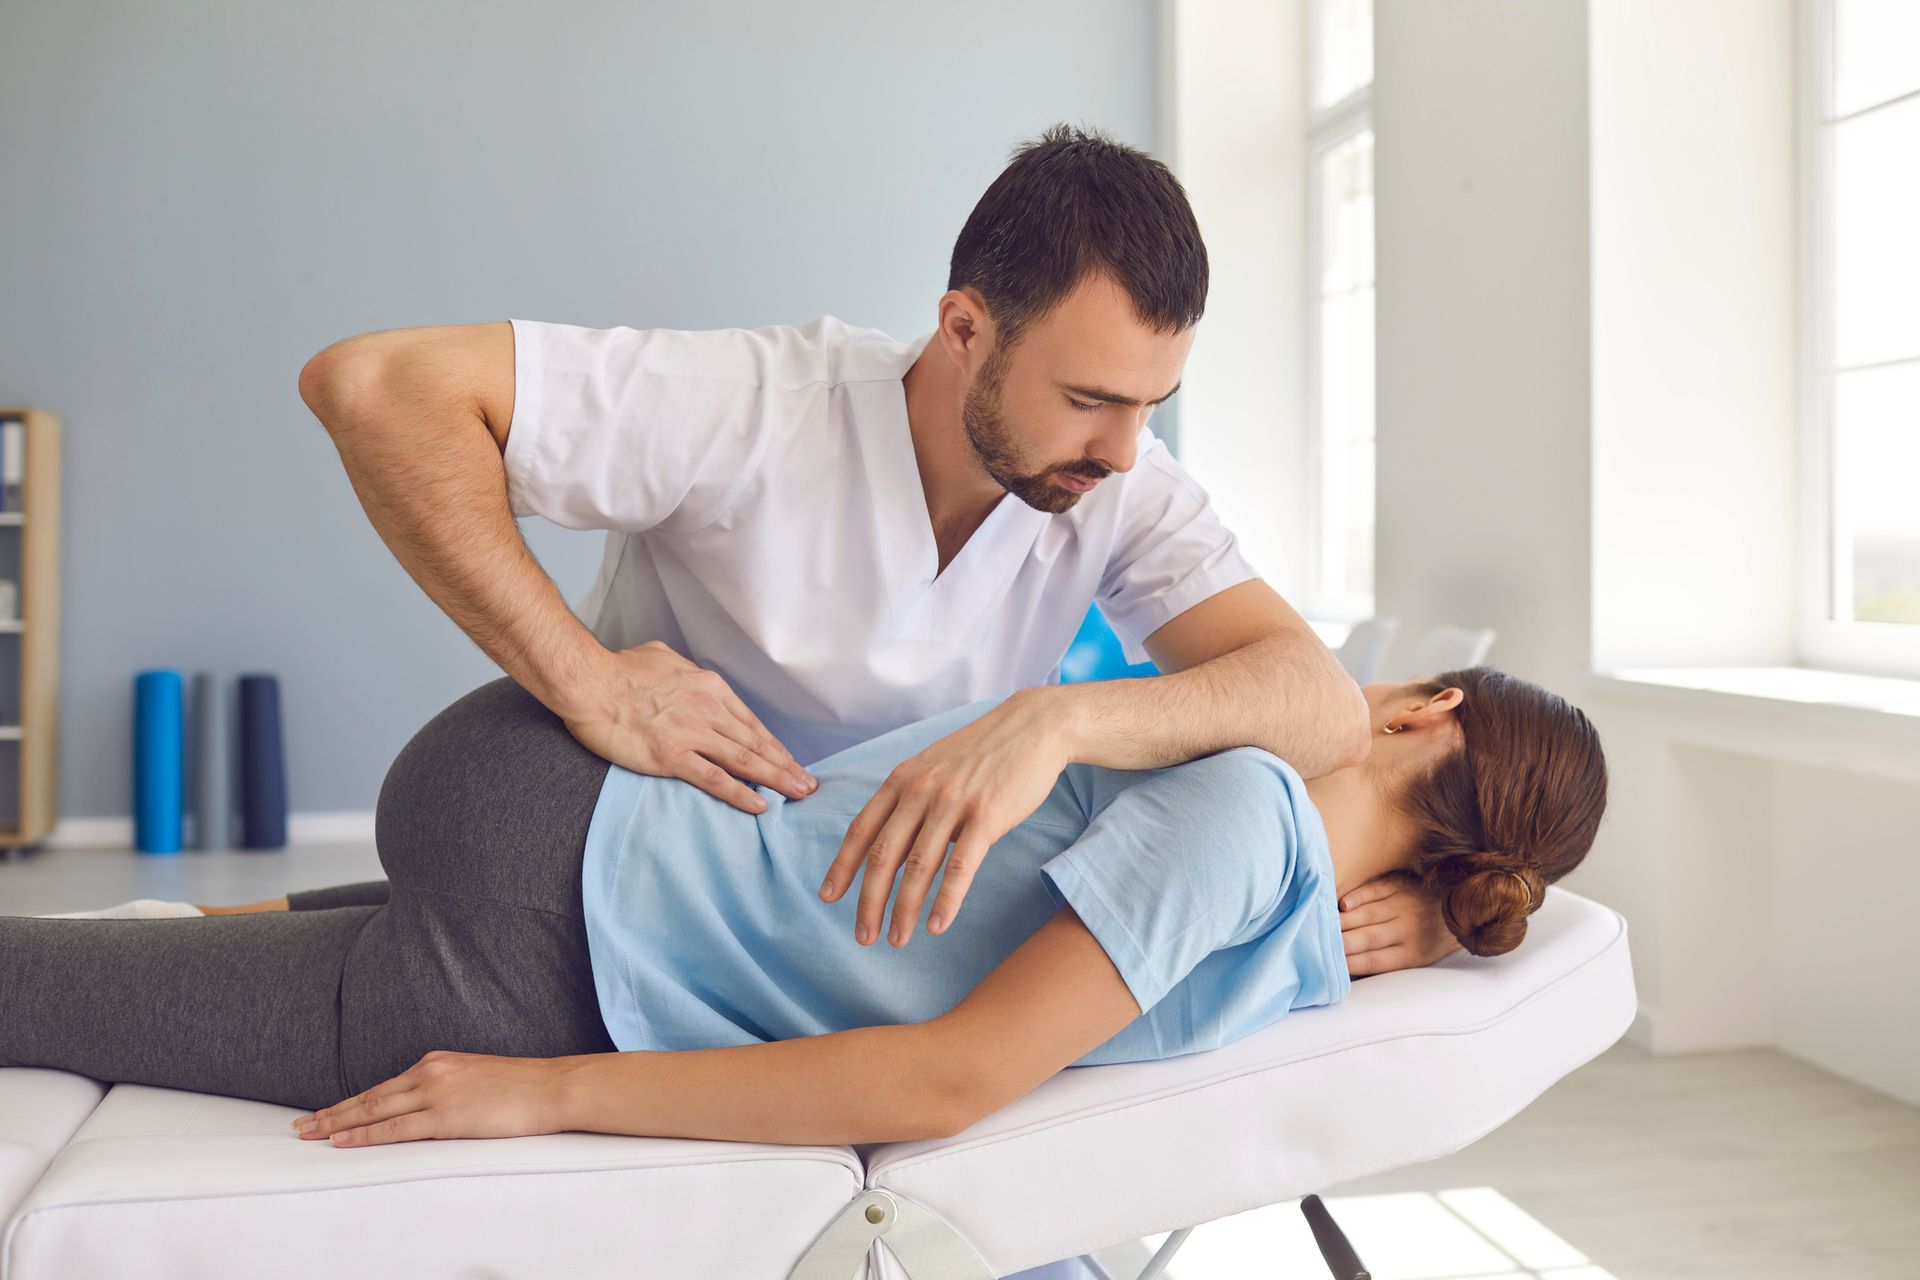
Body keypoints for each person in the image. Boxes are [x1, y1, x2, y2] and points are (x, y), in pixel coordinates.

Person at [294, 122, 1458, 977]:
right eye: (1090, 398)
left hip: (850, 920)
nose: (1122, 448)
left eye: (1152, 404)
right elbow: (378, 387)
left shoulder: (1118, 477)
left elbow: (1317, 701)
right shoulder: (758, 404)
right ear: (964, 329)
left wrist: (1054, 721)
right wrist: (586, 679)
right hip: (618, 868)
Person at [3, 665, 1606, 1149]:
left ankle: (225, 932)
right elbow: (957, 1070)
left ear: (1426, 709)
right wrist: (545, 1088)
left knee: (62, 980)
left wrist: (548, 1093)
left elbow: (949, 1075)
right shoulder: (1275, 873)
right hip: (548, 914)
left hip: (550, 859)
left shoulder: (1247, 820)